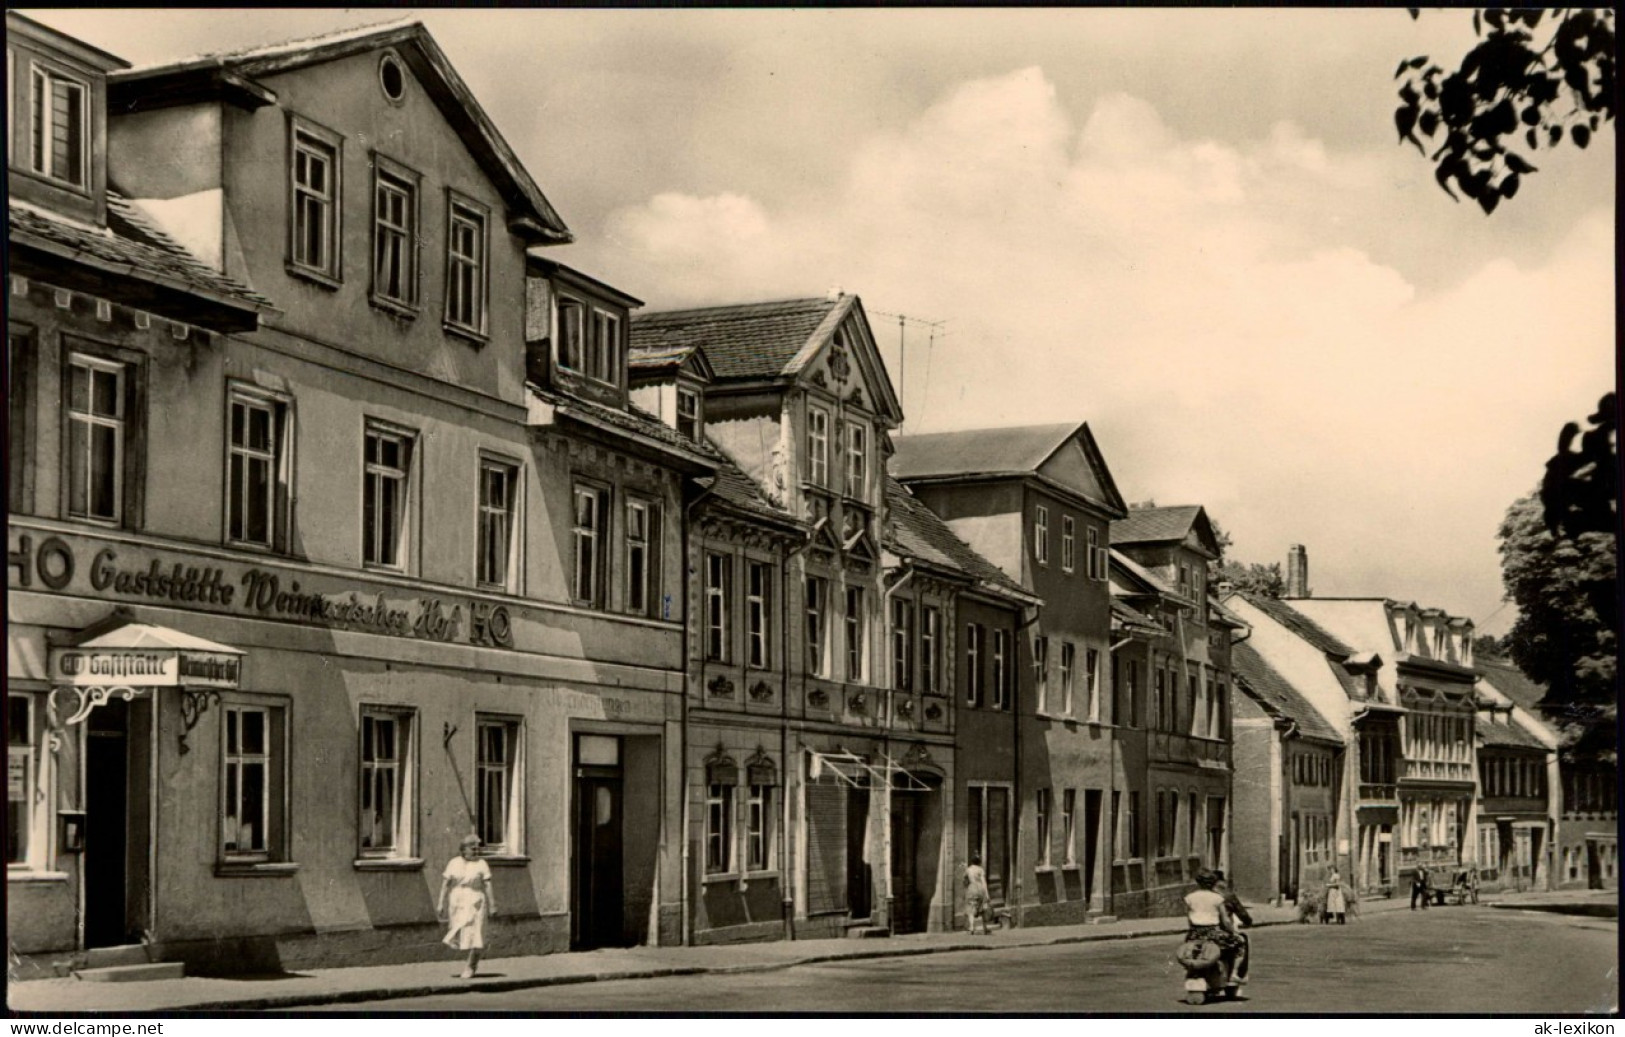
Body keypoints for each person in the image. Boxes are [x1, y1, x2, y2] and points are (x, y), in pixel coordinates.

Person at [438, 834, 495, 978]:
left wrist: (493, 904)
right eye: (472, 849)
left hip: (476, 901)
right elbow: (445, 885)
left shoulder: (482, 863)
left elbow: (488, 885)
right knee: (458, 929)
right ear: (463, 850)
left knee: (477, 932)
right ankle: (470, 960)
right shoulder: (454, 863)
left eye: (477, 849)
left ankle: (471, 965)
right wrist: (440, 903)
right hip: (457, 901)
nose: (476, 852)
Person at [1184, 869, 1245, 988]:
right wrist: (1232, 932)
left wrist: (1193, 929)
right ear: (1213, 883)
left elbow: (1189, 918)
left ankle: (1193, 972)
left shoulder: (1190, 897)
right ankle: (1234, 973)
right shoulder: (1217, 898)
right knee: (1240, 944)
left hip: (1194, 933)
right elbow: (1226, 920)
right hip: (1214, 933)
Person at [1212, 869, 1252, 984]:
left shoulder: (1205, 895)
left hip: (1202, 932)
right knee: (1241, 942)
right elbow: (1242, 913)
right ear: (1222, 881)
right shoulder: (1228, 895)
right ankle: (1235, 973)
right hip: (1222, 932)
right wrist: (1248, 922)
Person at [963, 853, 991, 934]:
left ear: (972, 861)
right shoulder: (980, 870)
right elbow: (984, 882)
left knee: (971, 908)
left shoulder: (968, 869)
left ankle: (972, 927)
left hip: (971, 888)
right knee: (982, 909)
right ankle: (985, 928)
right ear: (979, 862)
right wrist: (987, 894)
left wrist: (966, 887)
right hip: (980, 889)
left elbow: (964, 880)